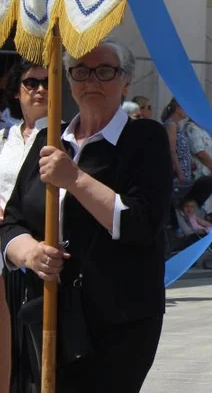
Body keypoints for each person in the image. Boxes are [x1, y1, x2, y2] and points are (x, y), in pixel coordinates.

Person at [0, 39, 173, 391]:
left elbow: (141, 223)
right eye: (80, 71)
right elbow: (13, 221)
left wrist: (75, 179)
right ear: (69, 79)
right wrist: (30, 253)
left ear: (126, 81)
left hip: (118, 320)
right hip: (47, 311)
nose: (91, 80)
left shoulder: (145, 138)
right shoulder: (49, 139)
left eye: (105, 71)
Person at [0, 60, 49, 393]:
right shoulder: (4, 137)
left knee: (35, 355)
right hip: (3, 254)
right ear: (17, 92)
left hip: (36, 251)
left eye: (47, 82)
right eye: (32, 83)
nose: (40, 89)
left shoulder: (64, 135)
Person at [162, 98, 194, 186]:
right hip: (178, 172)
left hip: (184, 169)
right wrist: (179, 172)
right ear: (177, 108)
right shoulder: (171, 125)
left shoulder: (177, 126)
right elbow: (171, 149)